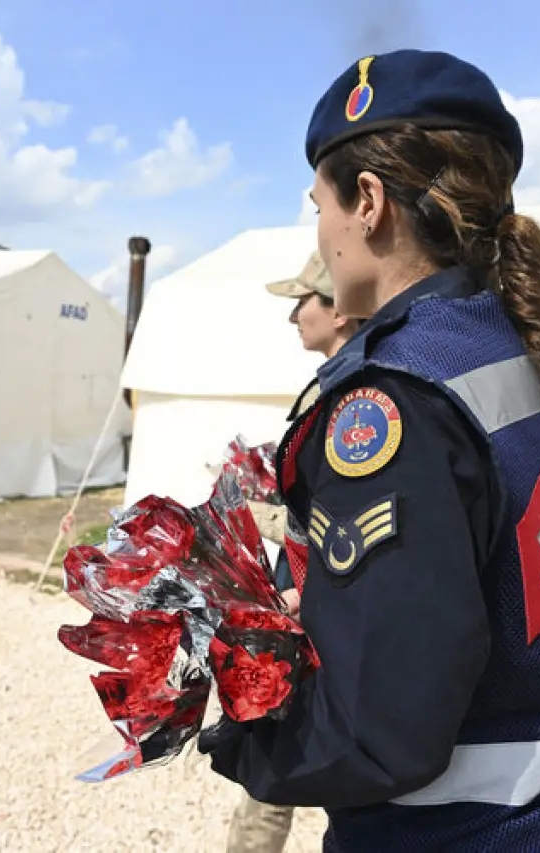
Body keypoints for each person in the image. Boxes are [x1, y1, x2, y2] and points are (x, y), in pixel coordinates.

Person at [198, 49, 540, 851]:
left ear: (367, 201)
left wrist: (234, 736)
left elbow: (380, 732)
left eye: (318, 206)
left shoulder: (392, 401)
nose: (321, 234)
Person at [230, 250, 360, 853]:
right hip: (308, 604)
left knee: (277, 771)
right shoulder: (334, 383)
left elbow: (345, 529)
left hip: (316, 615)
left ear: (338, 311)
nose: (293, 318)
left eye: (301, 302)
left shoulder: (357, 398)